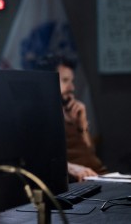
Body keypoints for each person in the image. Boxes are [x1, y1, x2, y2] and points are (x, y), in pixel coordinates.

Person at [36, 54, 108, 182]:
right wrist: (68, 167)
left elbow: (90, 153)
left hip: (100, 176)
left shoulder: (73, 110)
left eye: (71, 81)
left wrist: (82, 125)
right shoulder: (39, 114)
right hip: (78, 182)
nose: (72, 87)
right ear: (46, 81)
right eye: (65, 80)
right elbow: (38, 159)